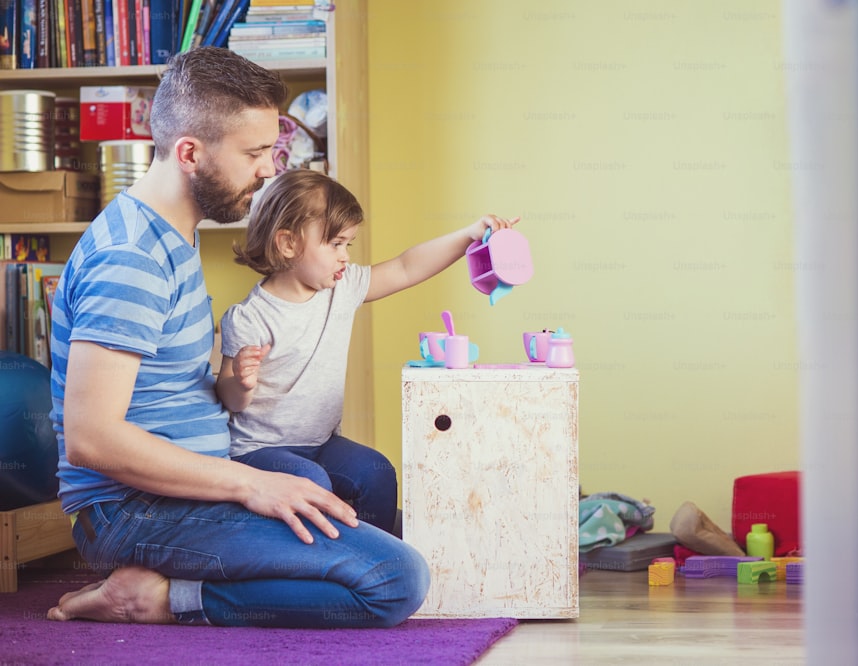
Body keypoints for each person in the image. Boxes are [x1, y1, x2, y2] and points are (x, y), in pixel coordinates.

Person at [46, 46, 429, 628]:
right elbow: (91, 439)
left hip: (189, 485)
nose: (270, 169)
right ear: (191, 153)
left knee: (342, 486)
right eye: (254, 153)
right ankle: (164, 599)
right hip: (132, 511)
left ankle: (197, 574)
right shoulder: (131, 259)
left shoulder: (173, 233)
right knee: (395, 578)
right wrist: (252, 485)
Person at [215, 169, 518, 535]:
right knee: (311, 483)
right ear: (288, 244)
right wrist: (242, 383)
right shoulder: (250, 317)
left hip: (321, 442)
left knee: (375, 472)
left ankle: (372, 555)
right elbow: (229, 398)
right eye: (335, 244)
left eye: (349, 245)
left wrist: (469, 235)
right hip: (258, 451)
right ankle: (327, 565)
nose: (345, 257)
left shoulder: (341, 289)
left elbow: (407, 267)